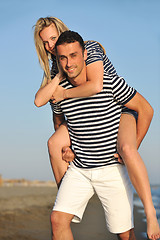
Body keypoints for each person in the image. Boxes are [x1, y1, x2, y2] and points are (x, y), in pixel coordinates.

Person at [33, 17, 160, 239]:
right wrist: (68, 144)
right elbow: (47, 108)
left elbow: (98, 86)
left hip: (120, 113)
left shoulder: (94, 57)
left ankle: (150, 213)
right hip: (82, 163)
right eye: (45, 43)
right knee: (54, 146)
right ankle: (68, 197)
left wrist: (130, 147)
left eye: (53, 38)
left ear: (82, 54)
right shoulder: (58, 72)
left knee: (128, 151)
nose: (50, 46)